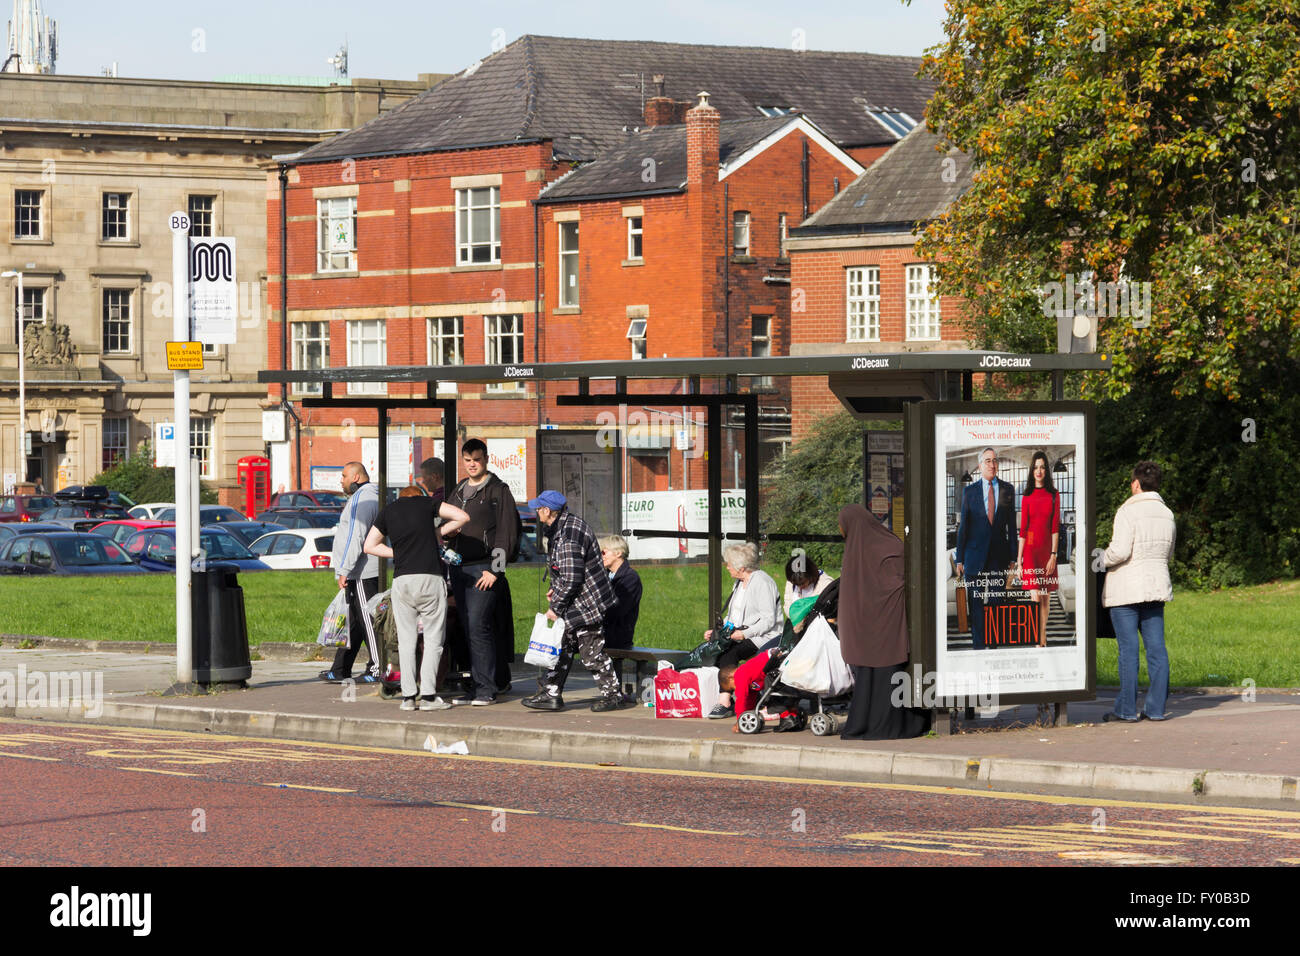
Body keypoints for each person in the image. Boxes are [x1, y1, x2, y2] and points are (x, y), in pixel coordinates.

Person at [521, 491, 629, 713]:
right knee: (562, 648)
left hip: (586, 604)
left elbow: (572, 577)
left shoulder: (568, 534)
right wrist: (556, 588)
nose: (536, 512)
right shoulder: (564, 526)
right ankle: (551, 693)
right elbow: (567, 572)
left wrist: (555, 607)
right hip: (578, 600)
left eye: (538, 508)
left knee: (591, 653)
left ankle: (613, 695)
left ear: (547, 511)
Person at [363, 487, 470, 711]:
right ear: (417, 495)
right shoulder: (427, 504)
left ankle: (408, 698)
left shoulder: (389, 510)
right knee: (433, 640)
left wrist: (398, 553)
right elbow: (463, 516)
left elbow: (369, 545)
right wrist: (438, 534)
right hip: (429, 578)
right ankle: (429, 697)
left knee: (406, 640)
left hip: (403, 581)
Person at [838, 503, 931, 740]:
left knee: (869, 680)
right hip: (887, 626)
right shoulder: (889, 543)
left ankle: (864, 724)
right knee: (887, 677)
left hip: (868, 629)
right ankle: (891, 725)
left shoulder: (854, 551)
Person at [446, 439, 520, 704]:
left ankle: (486, 690)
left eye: (476, 459)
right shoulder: (458, 490)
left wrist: (495, 571)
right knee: (469, 628)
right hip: (459, 568)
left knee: (478, 627)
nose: (472, 464)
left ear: (486, 459)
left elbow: (507, 534)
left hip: (484, 569)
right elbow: (442, 522)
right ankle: (483, 683)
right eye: (467, 460)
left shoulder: (498, 491)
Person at [1102, 461, 1176, 722]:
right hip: (1156, 588)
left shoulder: (1127, 511)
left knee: (1129, 651)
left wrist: (1101, 558)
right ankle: (1155, 709)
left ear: (1136, 484)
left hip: (1126, 590)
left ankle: (1125, 710)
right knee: (1157, 650)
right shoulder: (1167, 513)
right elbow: (1168, 552)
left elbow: (1120, 551)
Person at [703, 541, 783, 719]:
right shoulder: (740, 583)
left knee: (729, 654)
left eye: (729, 564)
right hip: (741, 634)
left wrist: (744, 634)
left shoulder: (762, 582)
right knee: (717, 649)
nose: (727, 567)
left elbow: (769, 620)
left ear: (741, 567)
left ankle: (725, 700)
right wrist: (717, 631)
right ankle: (728, 695)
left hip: (765, 636)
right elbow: (733, 616)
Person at [320, 461, 381, 683]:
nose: (341, 480)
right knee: (354, 621)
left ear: (356, 477)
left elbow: (355, 536)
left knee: (368, 619)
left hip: (362, 570)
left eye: (344, 475)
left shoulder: (362, 499)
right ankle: (340, 668)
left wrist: (344, 569)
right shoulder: (368, 496)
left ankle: (378, 667)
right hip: (360, 569)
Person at [955, 447, 1018, 650]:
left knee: (997, 602)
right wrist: (959, 559)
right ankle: (979, 648)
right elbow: (963, 527)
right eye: (988, 461)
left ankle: (993, 647)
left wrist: (1014, 557)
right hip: (974, 557)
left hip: (999, 557)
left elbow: (1011, 527)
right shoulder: (969, 492)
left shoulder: (1008, 489)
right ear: (980, 465)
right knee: (976, 606)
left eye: (995, 460)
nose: (992, 464)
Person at [1014, 451, 1061, 647]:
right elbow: (1023, 530)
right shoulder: (1026, 497)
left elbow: (1055, 528)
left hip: (1047, 552)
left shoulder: (1054, 495)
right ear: (1032, 471)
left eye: (1042, 467)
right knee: (1035, 596)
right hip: (1031, 552)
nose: (1039, 471)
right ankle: (1039, 638)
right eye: (1035, 467)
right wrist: (1019, 560)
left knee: (1045, 597)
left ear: (1046, 470)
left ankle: (1042, 634)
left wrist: (1053, 556)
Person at [599, 533, 642, 651]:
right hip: (599, 634)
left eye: (603, 552)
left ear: (618, 553)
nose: (600, 556)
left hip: (616, 638)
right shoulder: (604, 576)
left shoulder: (631, 578)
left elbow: (617, 610)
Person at [784, 553, 834, 633]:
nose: (800, 587)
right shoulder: (791, 582)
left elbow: (826, 612)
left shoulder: (825, 584)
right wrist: (796, 618)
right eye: (796, 584)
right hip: (794, 630)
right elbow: (787, 606)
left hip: (817, 632)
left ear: (810, 575)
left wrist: (803, 619)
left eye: (803, 583)